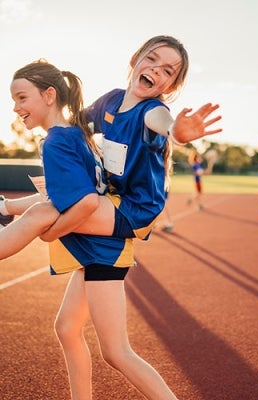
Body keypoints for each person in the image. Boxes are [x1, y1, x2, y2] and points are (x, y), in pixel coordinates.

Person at [2, 35, 222, 400]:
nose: (157, 70)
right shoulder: (110, 101)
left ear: (171, 85)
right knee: (68, 328)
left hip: (131, 210)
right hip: (111, 204)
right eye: (152, 59)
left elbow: (165, 123)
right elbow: (74, 125)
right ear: (136, 59)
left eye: (168, 71)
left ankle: (4, 209)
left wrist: (179, 133)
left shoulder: (152, 112)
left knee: (116, 351)